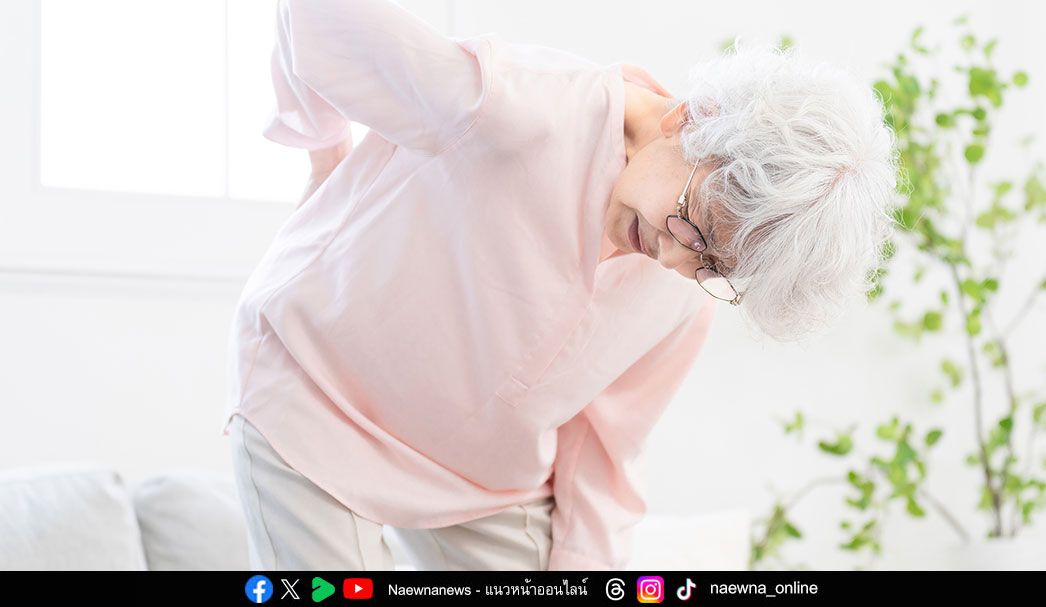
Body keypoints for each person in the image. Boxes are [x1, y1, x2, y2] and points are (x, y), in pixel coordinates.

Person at [223, 0, 900, 571]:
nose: (675, 258)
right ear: (689, 122)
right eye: (691, 224)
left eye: (714, 265)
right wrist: (323, 156)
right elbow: (319, 18)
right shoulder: (522, 106)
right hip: (316, 398)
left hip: (483, 483)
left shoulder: (681, 299)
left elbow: (603, 452)